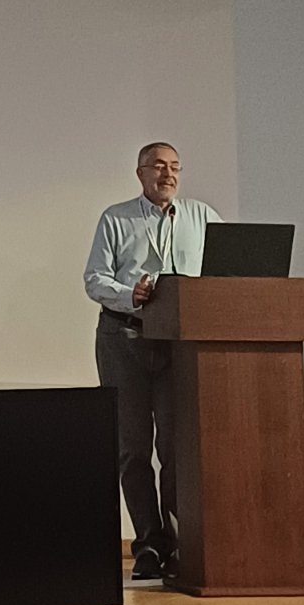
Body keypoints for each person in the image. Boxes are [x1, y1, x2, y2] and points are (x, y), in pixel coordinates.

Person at [84, 142, 221, 581]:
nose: (168, 174)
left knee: (177, 448)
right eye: (159, 166)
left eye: (175, 167)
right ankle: (148, 544)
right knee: (133, 447)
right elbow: (94, 278)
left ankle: (180, 545)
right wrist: (131, 294)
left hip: (178, 341)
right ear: (140, 173)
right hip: (123, 338)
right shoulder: (116, 218)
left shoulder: (202, 217)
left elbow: (226, 270)